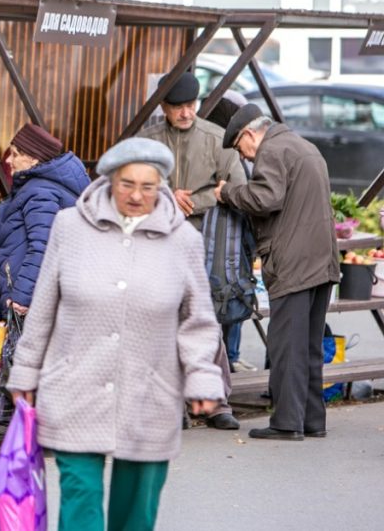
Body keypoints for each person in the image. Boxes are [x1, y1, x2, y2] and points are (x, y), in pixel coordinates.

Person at [7, 137, 225, 531]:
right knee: (80, 498)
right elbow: (43, 308)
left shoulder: (184, 241)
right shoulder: (69, 226)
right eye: (128, 184)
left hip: (150, 392)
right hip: (75, 386)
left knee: (136, 511)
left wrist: (203, 379)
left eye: (149, 186)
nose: (138, 196)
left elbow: (198, 319)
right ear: (109, 181)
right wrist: (25, 372)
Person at [215, 103, 341, 440]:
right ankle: (313, 420)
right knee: (310, 345)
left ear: (250, 134)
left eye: (240, 148)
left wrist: (228, 193)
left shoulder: (272, 150)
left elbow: (265, 198)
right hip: (321, 260)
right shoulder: (304, 146)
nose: (245, 156)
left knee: (286, 345)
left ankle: (286, 422)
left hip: (293, 264)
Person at [140, 71, 245, 430]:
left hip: (204, 244)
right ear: (164, 108)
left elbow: (238, 188)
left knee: (205, 320)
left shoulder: (217, 139)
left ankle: (215, 403)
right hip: (155, 245)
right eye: (177, 107)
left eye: (190, 105)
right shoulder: (147, 141)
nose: (185, 113)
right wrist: (165, 195)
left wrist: (195, 199)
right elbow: (125, 189)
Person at [0, 123, 89, 321]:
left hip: (31, 305)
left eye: (16, 154)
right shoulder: (42, 187)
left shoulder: (40, 192)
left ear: (34, 158)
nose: (9, 160)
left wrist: (21, 297)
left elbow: (43, 247)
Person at [204, 90, 259, 374]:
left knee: (225, 288)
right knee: (231, 286)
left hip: (220, 229)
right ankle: (230, 358)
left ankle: (227, 358)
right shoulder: (227, 146)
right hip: (228, 229)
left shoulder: (210, 138)